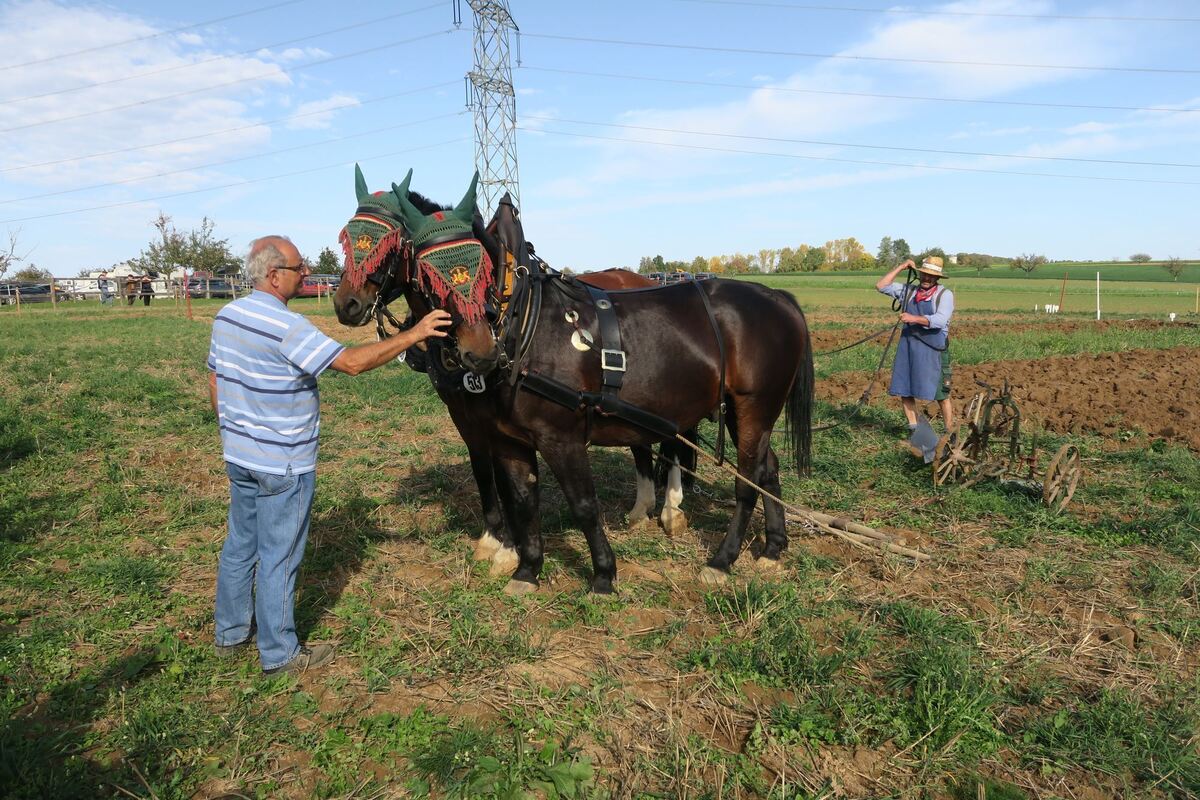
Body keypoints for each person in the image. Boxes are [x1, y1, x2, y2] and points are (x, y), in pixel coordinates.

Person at [206, 235, 452, 675]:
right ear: (274, 273)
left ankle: (230, 633)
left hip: (239, 456)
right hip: (284, 464)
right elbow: (351, 363)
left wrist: (233, 431)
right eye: (299, 267)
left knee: (241, 545)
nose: (306, 274)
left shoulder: (227, 315)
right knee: (280, 556)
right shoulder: (287, 327)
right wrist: (413, 334)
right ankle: (279, 655)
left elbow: (215, 378)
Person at [875, 256, 955, 435]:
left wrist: (913, 318)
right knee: (905, 388)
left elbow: (940, 320)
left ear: (937, 278)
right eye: (924, 274)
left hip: (933, 350)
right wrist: (902, 267)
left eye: (931, 276)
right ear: (920, 274)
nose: (927, 278)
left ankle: (949, 432)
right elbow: (881, 286)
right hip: (908, 346)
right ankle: (916, 431)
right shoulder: (909, 291)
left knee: (940, 394)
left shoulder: (944, 295)